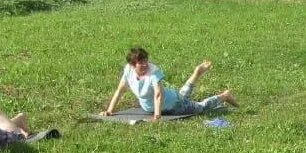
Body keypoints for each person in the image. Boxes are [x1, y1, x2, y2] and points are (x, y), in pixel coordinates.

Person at [101, 47, 237, 121]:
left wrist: (156, 117)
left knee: (200, 107)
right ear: (132, 65)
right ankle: (196, 73)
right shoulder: (128, 70)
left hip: (173, 106)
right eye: (140, 63)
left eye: (146, 61)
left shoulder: (153, 72)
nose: (144, 65)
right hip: (169, 100)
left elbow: (158, 94)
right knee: (181, 96)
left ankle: (224, 96)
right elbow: (120, 90)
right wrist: (109, 111)